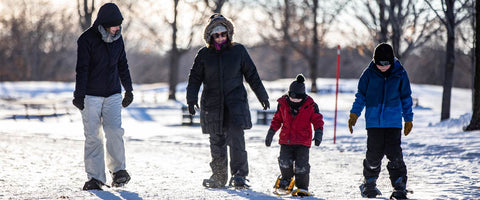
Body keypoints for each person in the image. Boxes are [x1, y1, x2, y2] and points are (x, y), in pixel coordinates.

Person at [186, 13, 270, 189]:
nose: (220, 38)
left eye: (223, 34)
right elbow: (194, 78)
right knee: (216, 142)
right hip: (212, 104)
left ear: (229, 34)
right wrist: (191, 99)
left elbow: (252, 75)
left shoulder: (238, 51)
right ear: (210, 36)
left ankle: (239, 176)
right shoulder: (203, 54)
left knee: (237, 140)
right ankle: (218, 177)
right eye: (216, 35)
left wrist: (262, 95)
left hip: (235, 103)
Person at [72, 3, 133, 191]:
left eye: (119, 25)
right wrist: (79, 94)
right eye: (114, 25)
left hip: (113, 93)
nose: (117, 29)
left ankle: (118, 171)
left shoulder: (118, 39)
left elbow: (123, 64)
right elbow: (81, 69)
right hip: (91, 95)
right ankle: (95, 177)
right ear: (104, 23)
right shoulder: (87, 39)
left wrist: (128, 89)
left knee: (114, 131)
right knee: (93, 137)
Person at [348, 43, 413, 199]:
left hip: (393, 122)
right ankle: (369, 183)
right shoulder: (368, 74)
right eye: (379, 63)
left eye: (386, 63)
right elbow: (361, 96)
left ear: (391, 60)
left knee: (395, 154)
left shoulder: (400, 73)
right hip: (374, 123)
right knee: (373, 154)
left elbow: (406, 98)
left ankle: (399, 186)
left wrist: (408, 119)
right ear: (374, 61)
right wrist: (354, 114)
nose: (383, 67)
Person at [265, 74, 324, 196]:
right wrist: (271, 133)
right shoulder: (282, 104)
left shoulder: (311, 106)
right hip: (286, 141)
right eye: (293, 98)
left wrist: (318, 133)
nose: (295, 100)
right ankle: (286, 179)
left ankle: (302, 187)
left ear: (303, 97)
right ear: (289, 94)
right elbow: (277, 120)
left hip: (303, 142)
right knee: (284, 161)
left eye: (298, 99)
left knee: (302, 166)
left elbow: (318, 120)